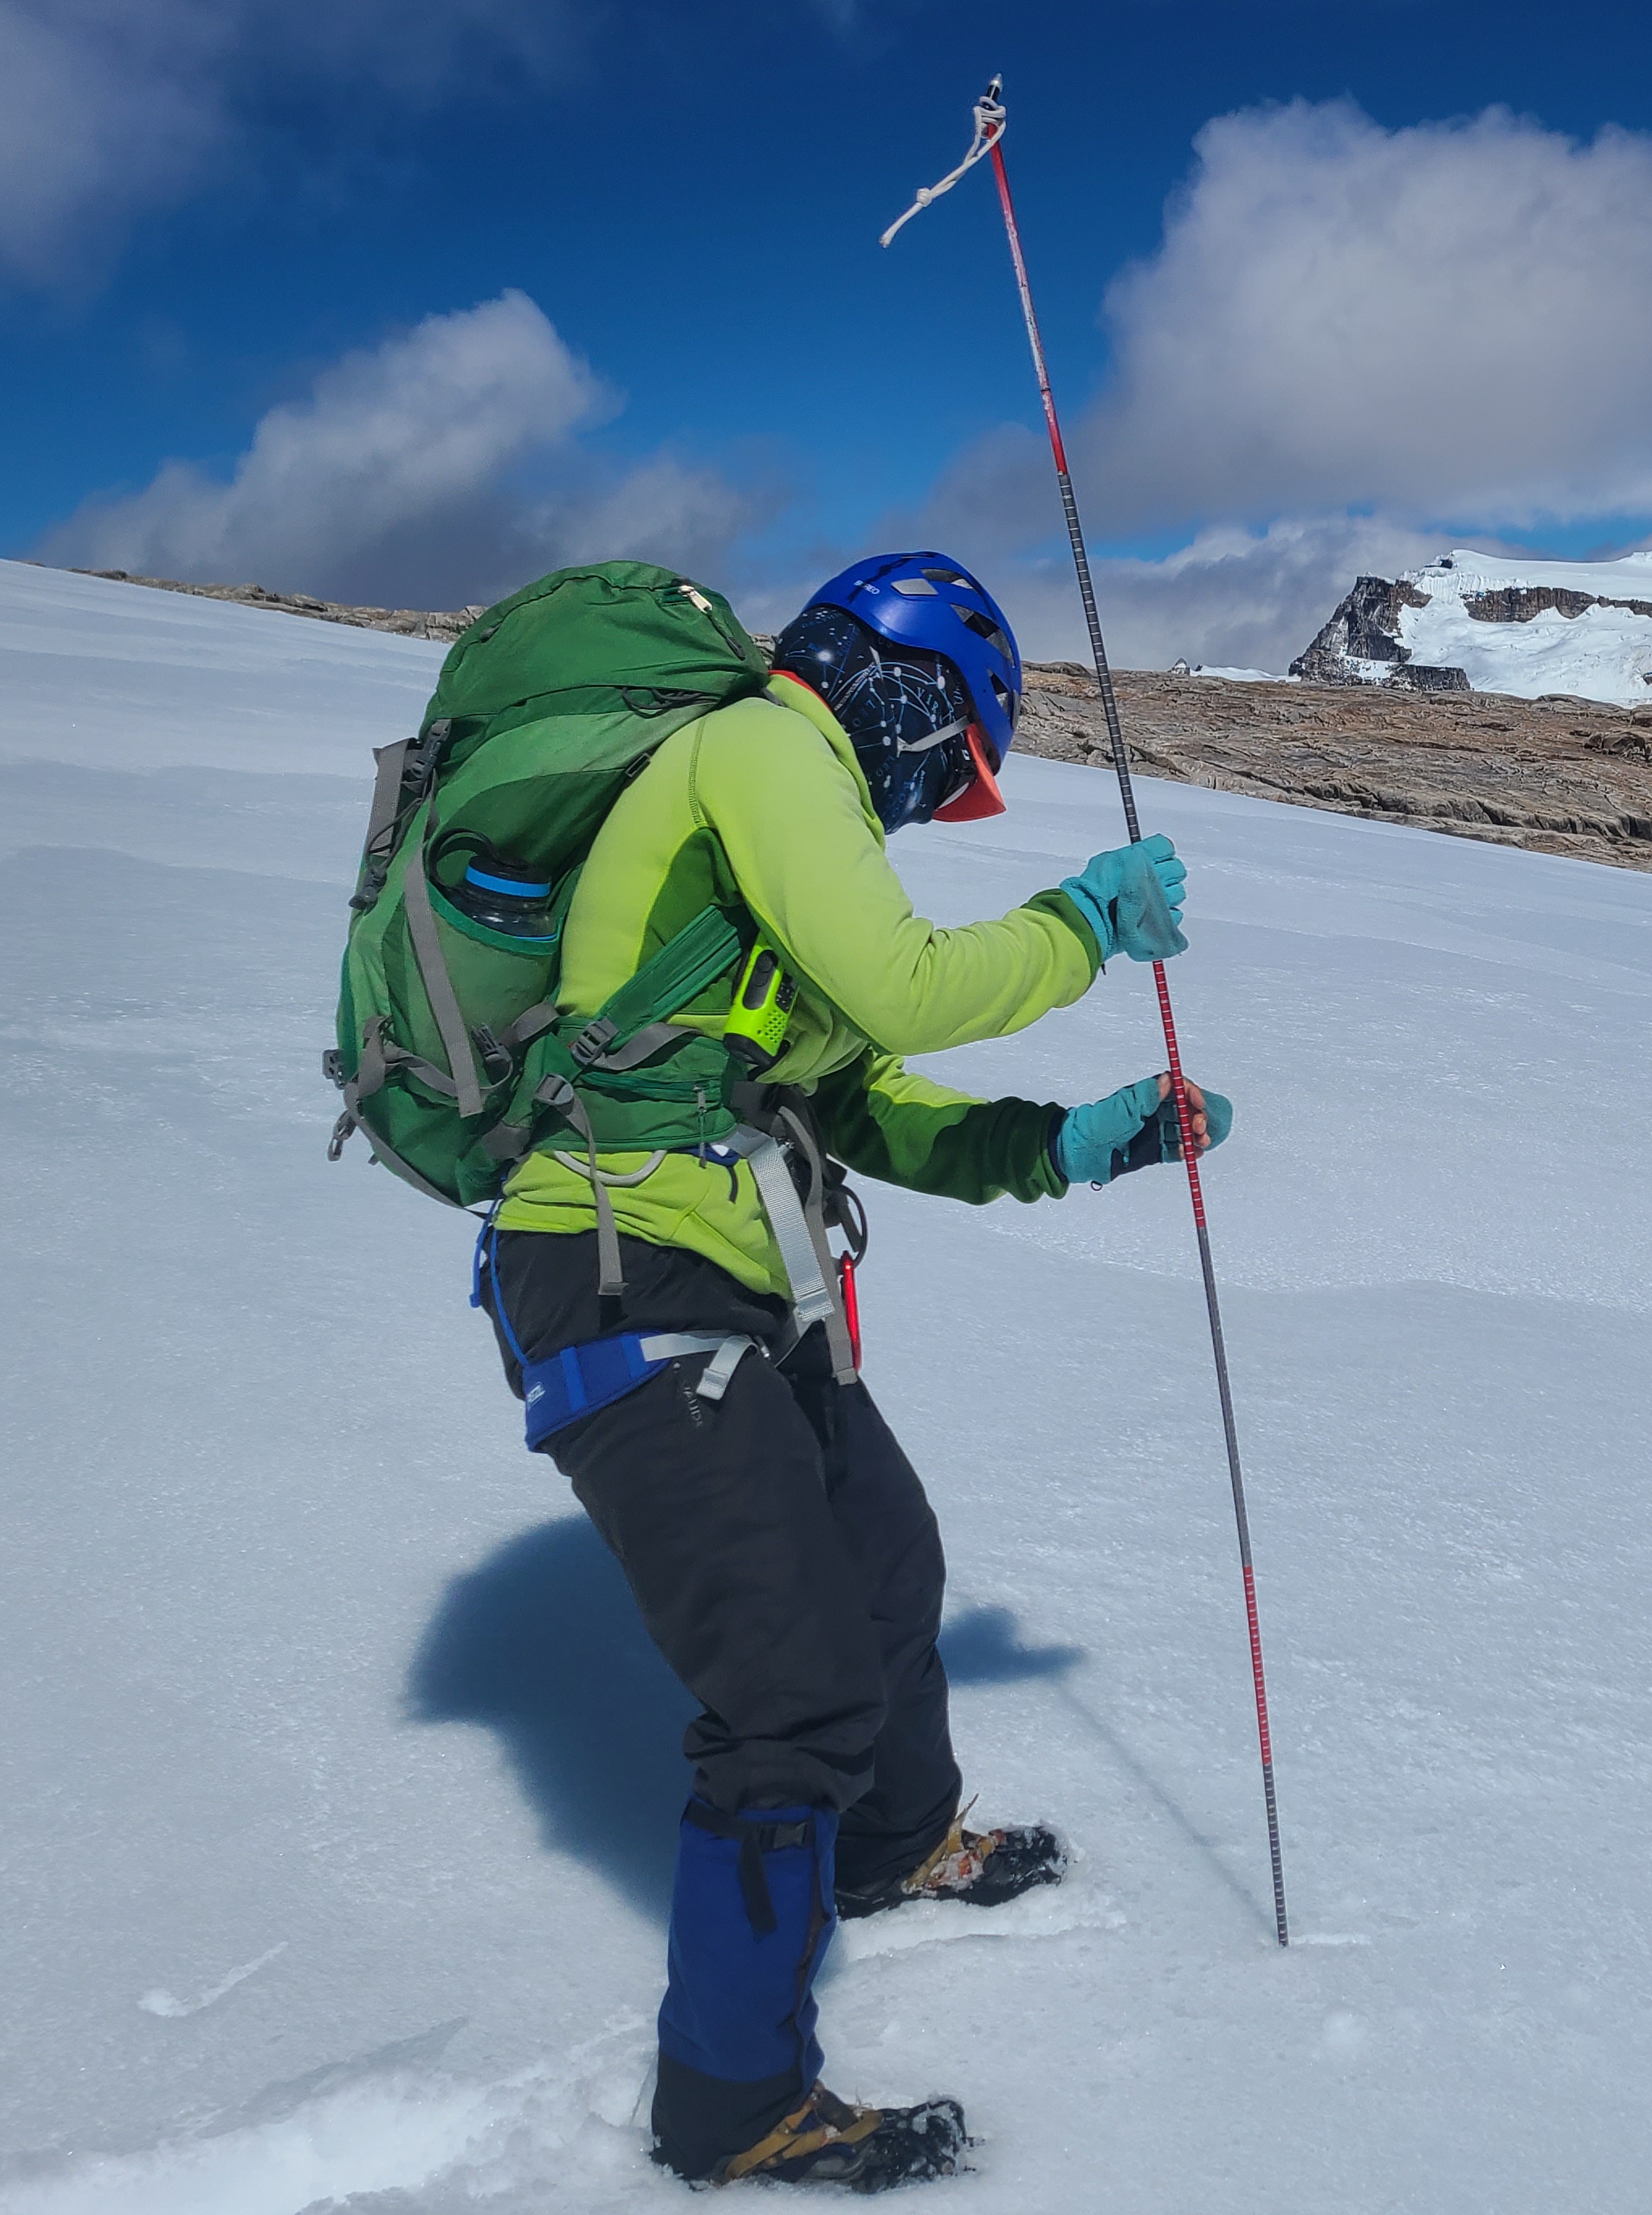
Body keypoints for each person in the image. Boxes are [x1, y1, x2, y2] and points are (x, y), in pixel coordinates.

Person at [474, 551, 1227, 2191]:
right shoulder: (765, 749)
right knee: (794, 1689)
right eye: (952, 766)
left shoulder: (778, 825)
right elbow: (906, 985)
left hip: (742, 1270)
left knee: (887, 1562)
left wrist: (1080, 1142)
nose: (933, 800)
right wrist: (1083, 926)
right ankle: (731, 2106)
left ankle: (890, 1853)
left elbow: (866, 1095)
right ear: (905, 683)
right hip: (620, 1266)